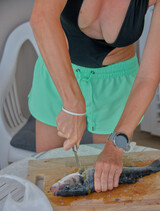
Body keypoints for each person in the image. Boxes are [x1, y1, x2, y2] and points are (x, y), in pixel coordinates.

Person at [28, 0, 160, 193]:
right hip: (59, 74)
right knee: (48, 178)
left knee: (110, 185)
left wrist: (116, 146)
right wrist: (72, 103)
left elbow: (148, 76)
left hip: (115, 84)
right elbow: (41, 19)